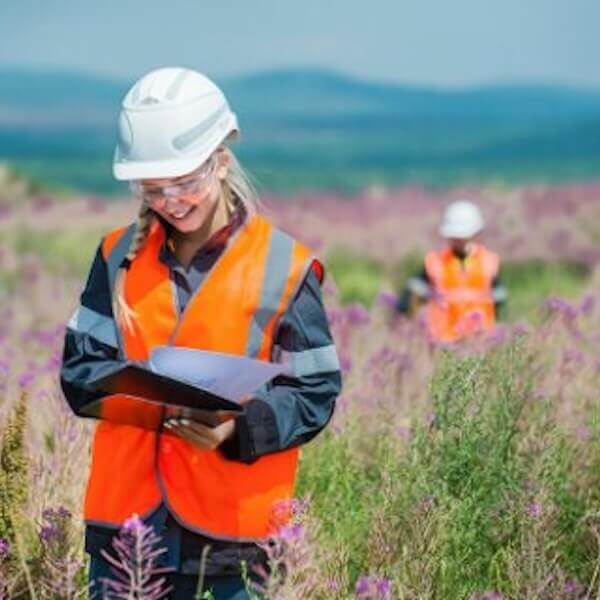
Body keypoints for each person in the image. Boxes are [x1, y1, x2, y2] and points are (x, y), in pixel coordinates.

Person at [60, 67, 341, 599]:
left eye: (187, 182)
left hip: (238, 542)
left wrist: (235, 429)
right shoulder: (115, 255)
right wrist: (149, 398)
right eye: (153, 188)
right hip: (126, 533)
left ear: (222, 160)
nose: (172, 200)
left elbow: (316, 392)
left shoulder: (285, 266)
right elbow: (79, 374)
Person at [396, 200, 507, 342]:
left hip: (480, 340)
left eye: (461, 236)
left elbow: (499, 301)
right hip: (443, 340)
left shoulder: (489, 261)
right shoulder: (434, 262)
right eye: (455, 236)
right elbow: (410, 296)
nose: (458, 240)